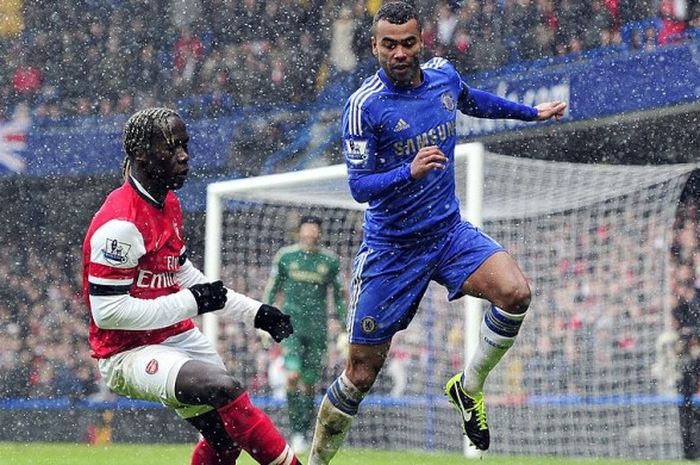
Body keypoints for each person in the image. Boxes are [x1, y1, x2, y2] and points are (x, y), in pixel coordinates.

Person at [307, 3, 567, 463]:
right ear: (374, 46)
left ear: (422, 42)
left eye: (408, 42)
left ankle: (468, 389)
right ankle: (316, 461)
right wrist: (407, 171)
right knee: (360, 374)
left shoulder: (444, 75)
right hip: (391, 250)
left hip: (447, 235)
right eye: (389, 44)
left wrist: (530, 113)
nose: (400, 52)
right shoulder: (363, 106)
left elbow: (473, 100)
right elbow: (358, 186)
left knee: (515, 293)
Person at [82, 107, 304, 465]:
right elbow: (108, 314)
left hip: (174, 335)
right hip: (126, 352)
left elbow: (184, 275)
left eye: (185, 145)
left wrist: (255, 312)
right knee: (223, 388)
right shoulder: (120, 226)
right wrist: (191, 303)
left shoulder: (168, 203)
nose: (184, 156)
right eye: (171, 148)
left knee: (226, 439)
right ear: (141, 153)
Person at [263, 216, 347, 455]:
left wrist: (343, 328)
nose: (310, 234)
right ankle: (296, 432)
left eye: (314, 230)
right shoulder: (286, 257)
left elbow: (340, 297)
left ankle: (304, 430)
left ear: (319, 233)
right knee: (292, 376)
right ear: (299, 232)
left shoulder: (329, 261)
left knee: (309, 384)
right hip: (290, 326)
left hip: (317, 329)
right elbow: (272, 287)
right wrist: (263, 317)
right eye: (307, 229)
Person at [672, 279, 700, 460]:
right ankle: (689, 451)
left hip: (693, 372)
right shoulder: (681, 309)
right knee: (687, 412)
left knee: (691, 413)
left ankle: (692, 450)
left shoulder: (693, 308)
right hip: (687, 372)